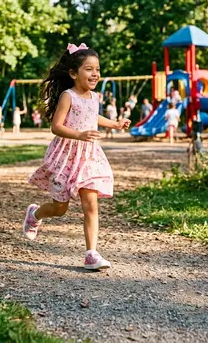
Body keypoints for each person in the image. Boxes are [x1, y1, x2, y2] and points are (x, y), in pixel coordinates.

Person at [24, 43, 131, 270]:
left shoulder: (95, 97)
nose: (95, 74)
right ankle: (35, 214)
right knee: (59, 209)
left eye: (98, 69)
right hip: (65, 155)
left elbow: (94, 116)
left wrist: (115, 123)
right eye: (89, 69)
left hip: (89, 156)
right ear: (73, 73)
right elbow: (56, 127)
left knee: (90, 204)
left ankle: (91, 254)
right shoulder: (67, 96)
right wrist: (79, 134)